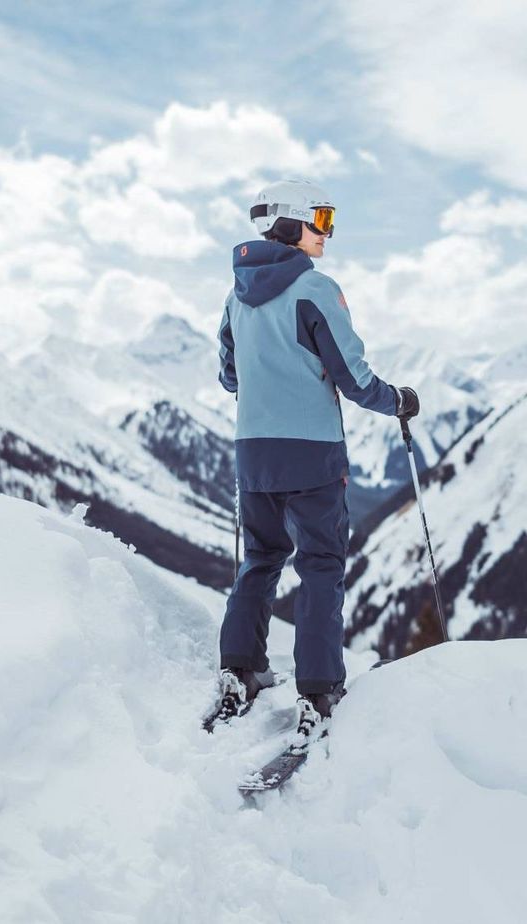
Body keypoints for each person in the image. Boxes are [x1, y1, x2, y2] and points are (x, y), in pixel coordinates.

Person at [206, 179, 419, 739]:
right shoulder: (315, 289)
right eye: (320, 218)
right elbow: (352, 378)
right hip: (313, 452)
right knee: (321, 563)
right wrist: (398, 400)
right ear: (292, 222)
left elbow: (229, 374)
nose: (327, 230)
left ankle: (242, 670)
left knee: (260, 557)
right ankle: (319, 690)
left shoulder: (235, 293)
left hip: (253, 452)